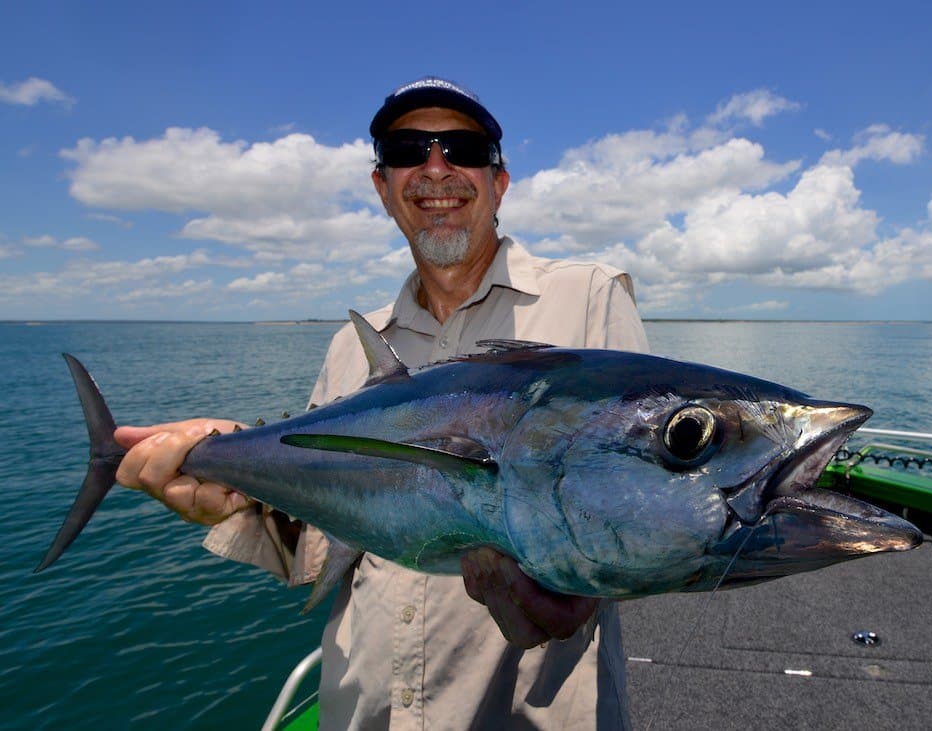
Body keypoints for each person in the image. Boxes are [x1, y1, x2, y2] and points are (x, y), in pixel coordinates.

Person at [114, 77, 649, 729]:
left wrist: (578, 591)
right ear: (383, 187)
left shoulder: (590, 299)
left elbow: (631, 507)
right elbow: (321, 547)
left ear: (499, 181)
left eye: (462, 147)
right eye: (407, 149)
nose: (435, 168)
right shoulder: (351, 346)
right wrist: (233, 502)